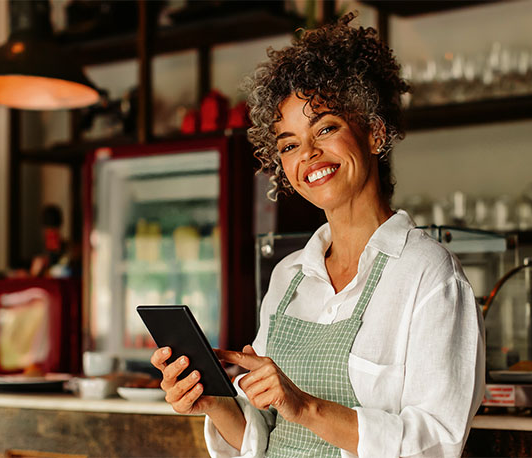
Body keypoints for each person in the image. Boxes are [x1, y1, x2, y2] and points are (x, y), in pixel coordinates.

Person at [151, 13, 485, 458]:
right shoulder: (289, 276)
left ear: (374, 131)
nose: (308, 154)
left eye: (325, 128)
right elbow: (263, 435)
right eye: (288, 145)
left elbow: (437, 443)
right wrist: (213, 402)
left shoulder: (427, 275)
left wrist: (305, 406)